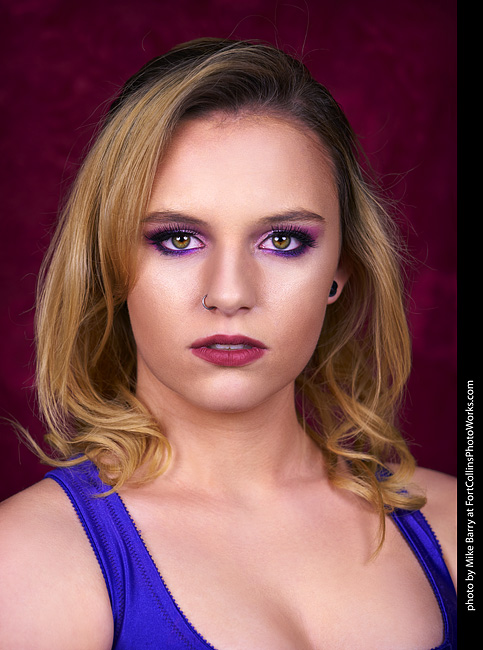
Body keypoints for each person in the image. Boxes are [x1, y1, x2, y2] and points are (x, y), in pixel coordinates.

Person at [0, 38, 456, 649]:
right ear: (109, 261)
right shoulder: (28, 562)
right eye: (178, 239)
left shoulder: (452, 526)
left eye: (284, 241)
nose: (230, 293)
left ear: (339, 271)